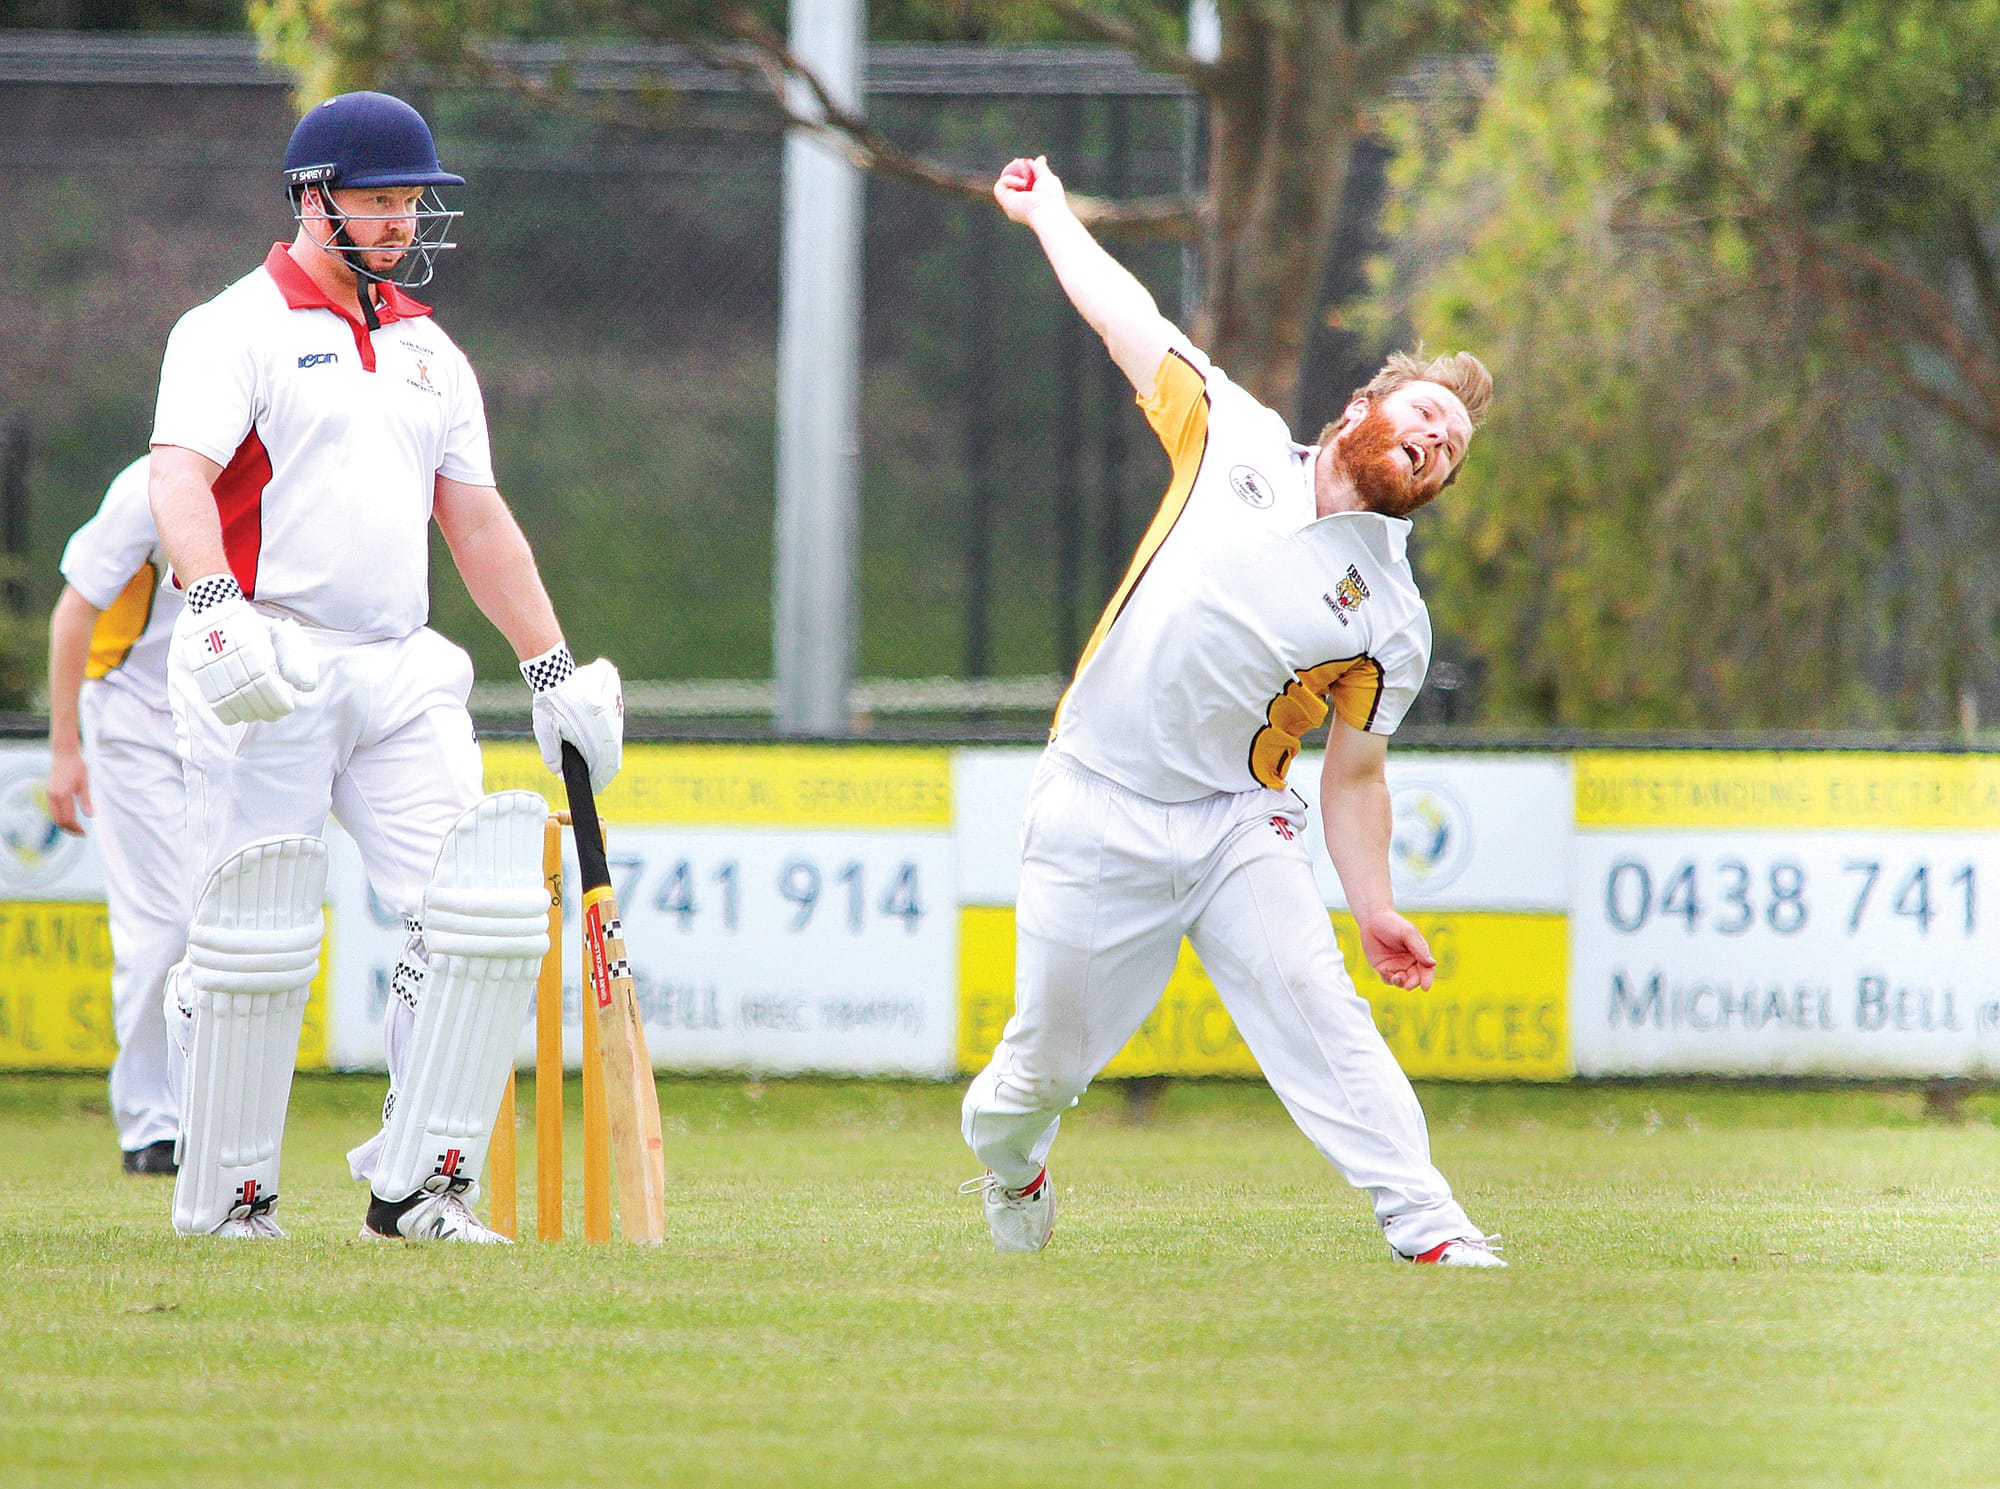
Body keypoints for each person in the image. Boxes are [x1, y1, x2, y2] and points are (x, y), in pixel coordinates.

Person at [960, 156, 1504, 1267]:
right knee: (1037, 1070)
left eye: (1450, 446)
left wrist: (1373, 905)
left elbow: (1352, 778)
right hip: (1091, 798)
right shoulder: (1232, 435)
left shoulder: (1392, 619)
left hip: (1230, 826)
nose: (1436, 441)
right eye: (1424, 414)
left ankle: (1430, 1227)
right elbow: (1127, 317)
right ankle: (1013, 1162)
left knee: (1319, 1007)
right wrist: (1049, 212)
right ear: (1362, 408)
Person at [147, 90, 623, 1242]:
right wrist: (211, 607)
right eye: (380, 198)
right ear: (314, 200)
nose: (403, 219)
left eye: (414, 200)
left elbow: (477, 520)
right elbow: (176, 477)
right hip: (268, 659)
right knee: (252, 932)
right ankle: (228, 1196)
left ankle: (419, 1182)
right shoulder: (232, 327)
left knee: (479, 911)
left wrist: (549, 665)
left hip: (404, 664)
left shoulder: (426, 351)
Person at [47, 455, 185, 1177]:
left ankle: (210, 1115)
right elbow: (75, 610)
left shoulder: (282, 474)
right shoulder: (147, 486)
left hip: (226, 727)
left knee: (229, 925)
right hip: (131, 716)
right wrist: (65, 749)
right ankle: (150, 1123)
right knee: (164, 924)